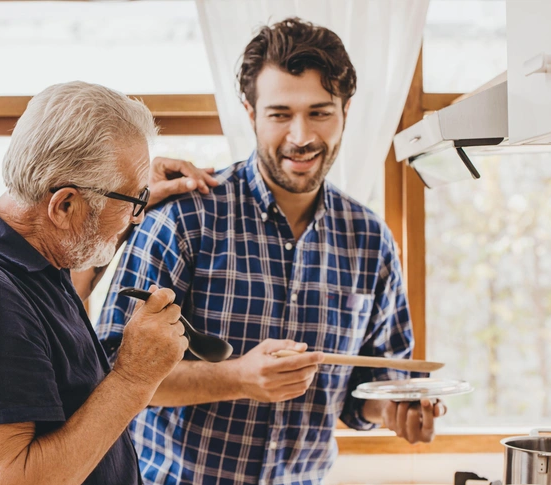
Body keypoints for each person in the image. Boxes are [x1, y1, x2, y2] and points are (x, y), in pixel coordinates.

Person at [97, 18, 446, 484]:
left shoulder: (371, 240)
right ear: (250, 112)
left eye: (320, 112)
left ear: (346, 111)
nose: (301, 136)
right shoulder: (184, 220)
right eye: (280, 114)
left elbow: (371, 388)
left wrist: (395, 410)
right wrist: (237, 376)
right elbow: (111, 370)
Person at [0, 81, 218, 485]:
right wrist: (134, 379)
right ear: (65, 205)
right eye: (134, 204)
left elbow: (47, 331)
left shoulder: (27, 255)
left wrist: (128, 197)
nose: (137, 218)